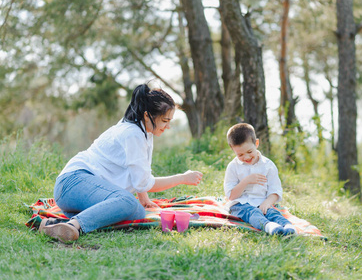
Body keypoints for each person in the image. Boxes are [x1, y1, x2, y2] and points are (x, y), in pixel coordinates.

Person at [40, 83, 203, 242]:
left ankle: (55, 225)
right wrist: (183, 178)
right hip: (73, 182)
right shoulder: (133, 134)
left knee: (137, 211)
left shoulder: (143, 131)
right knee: (128, 203)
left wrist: (144, 199)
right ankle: (74, 225)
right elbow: (145, 182)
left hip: (75, 194)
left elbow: (139, 174)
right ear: (147, 115)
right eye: (165, 120)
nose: (168, 127)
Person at [224, 123, 296, 236]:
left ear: (256, 143)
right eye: (240, 155)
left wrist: (267, 202)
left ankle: (288, 227)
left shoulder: (268, 165)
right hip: (240, 204)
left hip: (261, 201)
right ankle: (269, 227)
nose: (246, 157)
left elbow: (275, 190)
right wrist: (246, 180)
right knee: (253, 212)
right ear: (233, 149)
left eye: (249, 152)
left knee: (272, 212)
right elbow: (231, 196)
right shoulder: (233, 167)